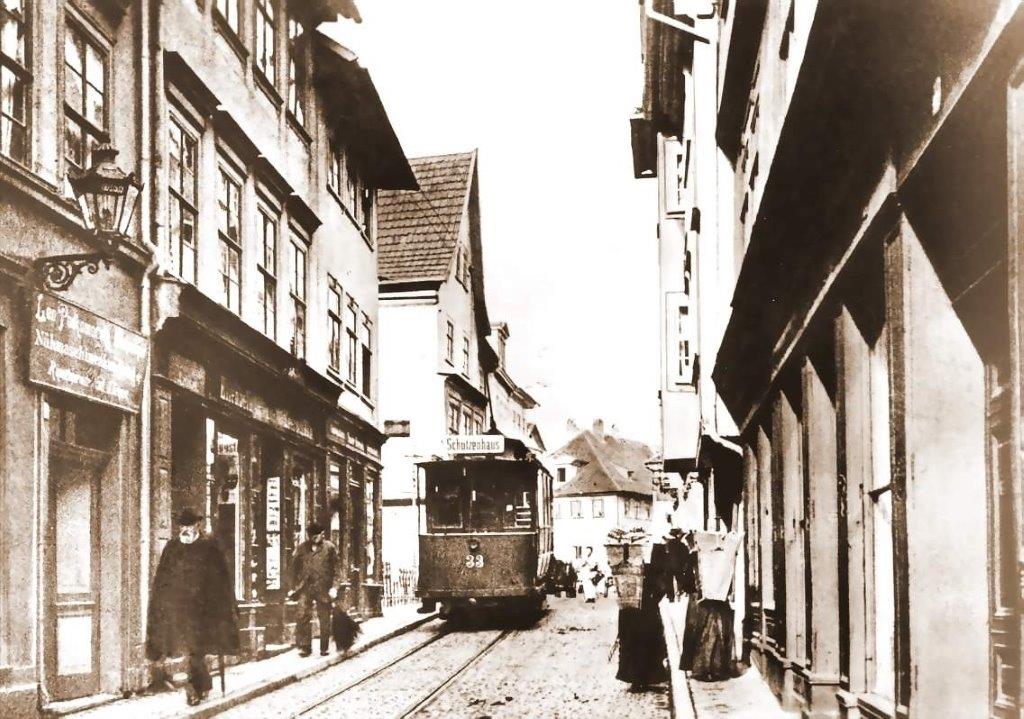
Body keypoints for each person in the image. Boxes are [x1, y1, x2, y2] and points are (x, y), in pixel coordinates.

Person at [146, 508, 240, 706]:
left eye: (189, 525)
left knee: (196, 650)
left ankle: (195, 689)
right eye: (182, 526)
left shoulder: (210, 547)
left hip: (204, 612)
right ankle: (201, 685)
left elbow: (222, 580)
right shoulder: (172, 547)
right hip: (179, 610)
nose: (185, 529)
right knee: (191, 650)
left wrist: (225, 606)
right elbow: (162, 578)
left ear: (198, 525)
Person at [289, 522, 340, 657]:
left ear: (322, 534)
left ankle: (324, 647)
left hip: (324, 587)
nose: (314, 539)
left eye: (317, 536)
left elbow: (337, 570)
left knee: (324, 618)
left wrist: (334, 587)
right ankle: (305, 647)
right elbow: (293, 569)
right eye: (311, 536)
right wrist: (292, 586)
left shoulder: (329, 548)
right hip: (305, 587)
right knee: (303, 615)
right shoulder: (301, 548)